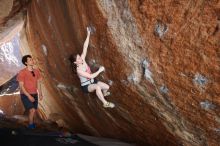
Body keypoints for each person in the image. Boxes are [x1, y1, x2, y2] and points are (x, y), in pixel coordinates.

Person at [72, 27, 115, 108]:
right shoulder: (79, 71)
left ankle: (104, 94)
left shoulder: (82, 59)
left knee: (107, 87)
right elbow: (91, 76)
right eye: (78, 58)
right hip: (86, 86)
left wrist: (88, 34)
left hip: (93, 81)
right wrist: (99, 70)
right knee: (98, 87)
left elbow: (85, 47)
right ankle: (105, 103)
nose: (80, 58)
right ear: (75, 62)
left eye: (79, 56)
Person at [17, 55, 43, 129]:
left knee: (33, 111)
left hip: (35, 93)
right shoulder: (22, 72)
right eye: (30, 60)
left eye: (32, 59)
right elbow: (21, 86)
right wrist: (29, 96)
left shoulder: (37, 71)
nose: (32, 60)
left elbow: (38, 83)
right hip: (25, 94)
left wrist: (40, 94)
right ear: (26, 63)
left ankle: (31, 124)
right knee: (32, 110)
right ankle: (31, 126)